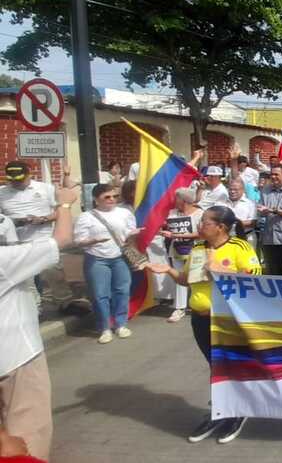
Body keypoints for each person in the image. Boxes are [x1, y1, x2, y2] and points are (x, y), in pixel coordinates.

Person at [148, 206, 261, 444]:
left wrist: (220, 270)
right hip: (200, 318)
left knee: (231, 366)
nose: (199, 226)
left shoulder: (240, 247)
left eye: (205, 223)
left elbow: (254, 281)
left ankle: (237, 413)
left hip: (227, 320)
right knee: (214, 366)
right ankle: (219, 412)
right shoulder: (198, 248)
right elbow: (187, 280)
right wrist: (168, 270)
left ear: (220, 227)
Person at [0, 185, 76, 461]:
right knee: (27, 435)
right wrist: (65, 204)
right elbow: (62, 239)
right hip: (16, 358)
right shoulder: (5, 261)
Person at [73, 184, 140, 344]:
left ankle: (120, 324)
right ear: (96, 200)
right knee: (100, 295)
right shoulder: (86, 217)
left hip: (120, 257)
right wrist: (92, 241)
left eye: (114, 196)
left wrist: (133, 235)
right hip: (97, 258)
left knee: (122, 291)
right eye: (107, 197)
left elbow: (129, 234)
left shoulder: (124, 213)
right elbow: (78, 241)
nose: (112, 200)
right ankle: (104, 327)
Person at [0, 161, 63, 310]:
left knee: (54, 273)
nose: (16, 182)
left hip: (44, 238)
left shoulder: (45, 188)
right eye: (12, 179)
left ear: (29, 174)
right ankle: (36, 308)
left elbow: (60, 212)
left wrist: (42, 219)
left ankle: (64, 303)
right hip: (16, 243)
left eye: (20, 179)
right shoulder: (2, 192)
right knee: (26, 279)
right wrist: (15, 222)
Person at [159, 188, 202, 323]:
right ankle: (179, 308)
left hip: (195, 250)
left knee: (197, 278)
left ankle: (198, 304)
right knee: (179, 277)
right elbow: (166, 227)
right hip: (177, 250)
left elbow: (201, 234)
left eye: (177, 198)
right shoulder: (172, 213)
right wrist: (163, 229)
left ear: (184, 200)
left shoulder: (200, 214)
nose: (174, 201)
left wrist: (177, 235)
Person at [226, 179, 258, 249]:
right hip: (227, 239)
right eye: (230, 189)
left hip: (246, 238)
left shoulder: (250, 204)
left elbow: (253, 222)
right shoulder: (221, 203)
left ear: (243, 190)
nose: (232, 192)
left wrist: (234, 222)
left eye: (235, 189)